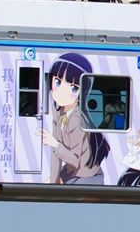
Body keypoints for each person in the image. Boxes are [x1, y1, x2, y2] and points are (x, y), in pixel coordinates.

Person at [39, 52, 109, 184]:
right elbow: (56, 157)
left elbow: (74, 160)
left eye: (73, 88)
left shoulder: (77, 119)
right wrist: (54, 182)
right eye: (58, 82)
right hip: (73, 171)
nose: (62, 93)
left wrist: (54, 144)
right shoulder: (59, 112)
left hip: (86, 176)